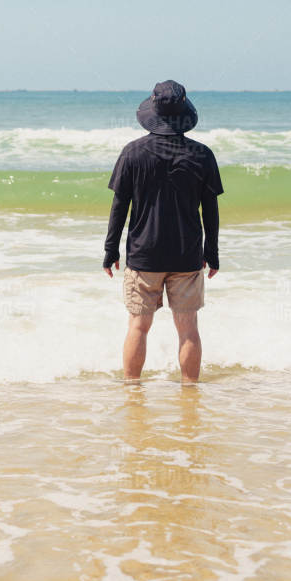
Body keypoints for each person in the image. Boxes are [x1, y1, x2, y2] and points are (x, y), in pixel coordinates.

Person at [103, 80, 224, 383]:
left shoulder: (132, 153)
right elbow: (210, 209)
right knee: (188, 329)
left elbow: (119, 206)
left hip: (145, 256)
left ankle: (132, 392)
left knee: (137, 327)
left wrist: (110, 250)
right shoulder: (202, 154)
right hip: (186, 256)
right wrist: (212, 253)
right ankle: (190, 393)